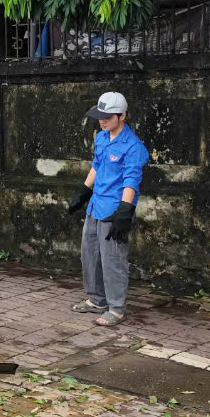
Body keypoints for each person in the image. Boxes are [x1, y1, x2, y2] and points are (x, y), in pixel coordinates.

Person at [67, 92, 150, 327]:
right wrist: (84, 191)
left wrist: (125, 210)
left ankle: (116, 308)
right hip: (95, 206)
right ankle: (96, 299)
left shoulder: (133, 146)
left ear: (122, 116)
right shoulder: (102, 138)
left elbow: (131, 180)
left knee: (113, 260)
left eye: (107, 117)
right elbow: (97, 166)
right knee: (89, 254)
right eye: (99, 116)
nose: (102, 121)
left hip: (114, 210)